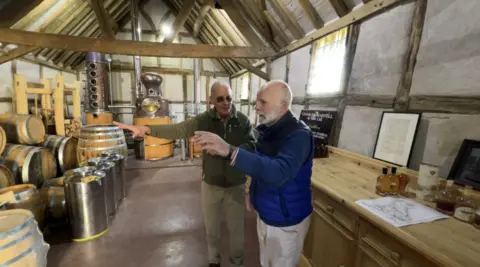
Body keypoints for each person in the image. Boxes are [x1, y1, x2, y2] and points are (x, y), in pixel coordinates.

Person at [113, 81, 255, 267]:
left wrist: (229, 150)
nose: (225, 102)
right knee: (212, 229)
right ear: (211, 100)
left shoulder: (242, 121)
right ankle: (214, 261)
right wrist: (147, 129)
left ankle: (237, 262)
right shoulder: (203, 120)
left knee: (237, 230)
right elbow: (178, 130)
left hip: (235, 184)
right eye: (220, 98)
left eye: (228, 98)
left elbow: (251, 146)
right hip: (211, 184)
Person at [192, 80, 314, 267]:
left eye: (263, 102)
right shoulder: (269, 129)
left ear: (283, 105)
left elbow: (279, 172)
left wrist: (230, 151)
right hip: (266, 214)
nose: (256, 107)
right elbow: (259, 163)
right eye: (257, 101)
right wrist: (252, 191)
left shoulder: (299, 135)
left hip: (286, 222)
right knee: (265, 263)